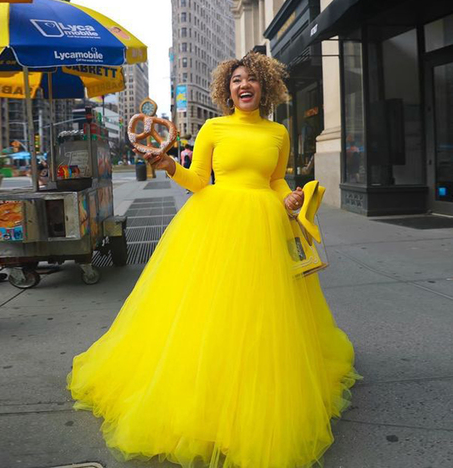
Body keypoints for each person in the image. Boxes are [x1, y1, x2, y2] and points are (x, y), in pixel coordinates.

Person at [67, 52, 359, 468]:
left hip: (265, 225)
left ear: (265, 87)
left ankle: (257, 388)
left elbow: (276, 179)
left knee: (263, 311)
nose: (244, 85)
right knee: (212, 309)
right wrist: (169, 165)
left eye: (252, 79)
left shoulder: (278, 132)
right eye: (237, 80)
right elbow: (200, 181)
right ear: (227, 89)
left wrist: (290, 198)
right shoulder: (213, 127)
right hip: (215, 222)